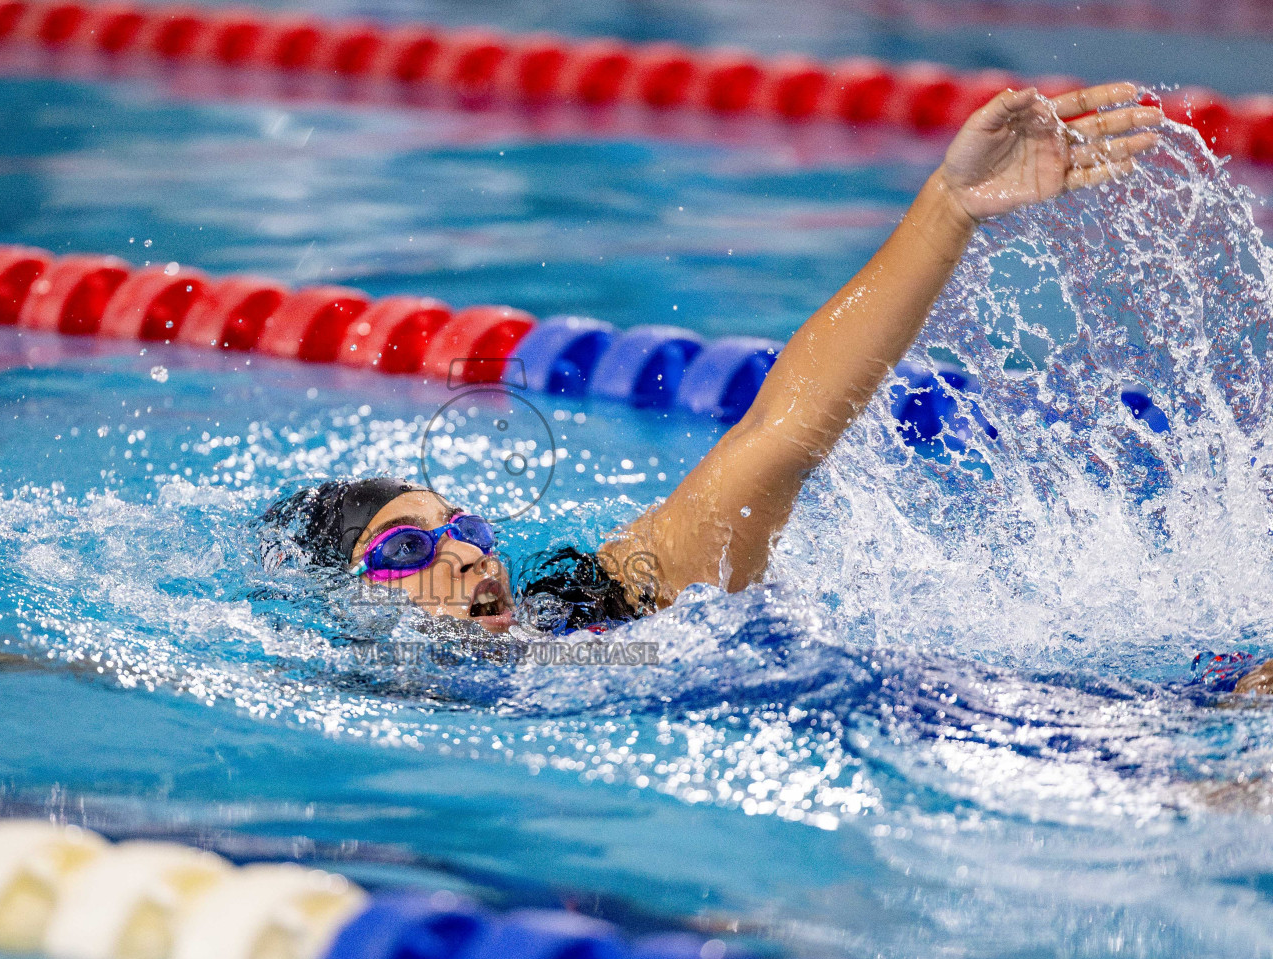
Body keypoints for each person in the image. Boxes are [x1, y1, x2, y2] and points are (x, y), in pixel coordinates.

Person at [266, 83, 1181, 637]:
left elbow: (779, 436)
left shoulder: (602, 601)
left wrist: (950, 205)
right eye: (414, 549)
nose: (466, 556)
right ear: (343, 606)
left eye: (464, 527)